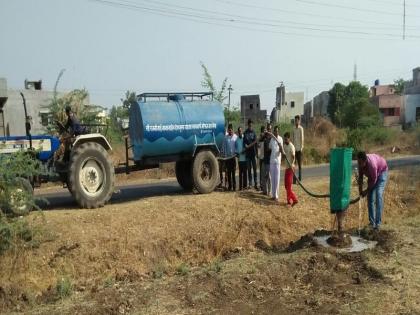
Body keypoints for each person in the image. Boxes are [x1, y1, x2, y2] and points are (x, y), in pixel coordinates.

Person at [357, 151, 388, 230]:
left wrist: (366, 191)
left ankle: (378, 224)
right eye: (358, 162)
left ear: (365, 161)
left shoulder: (372, 165)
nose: (359, 164)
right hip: (372, 176)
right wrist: (360, 191)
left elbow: (374, 181)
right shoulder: (360, 165)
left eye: (360, 163)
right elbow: (360, 178)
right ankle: (372, 223)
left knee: (378, 195)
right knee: (370, 198)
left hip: (381, 172)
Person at [268, 126, 284, 202]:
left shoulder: (280, 139)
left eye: (277, 131)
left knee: (277, 179)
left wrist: (280, 147)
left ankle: (277, 196)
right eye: (275, 131)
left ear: (278, 132)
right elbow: (269, 148)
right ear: (273, 132)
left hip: (277, 161)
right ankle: (273, 195)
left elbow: (281, 150)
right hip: (272, 161)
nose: (276, 132)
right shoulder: (272, 139)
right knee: (272, 179)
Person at [283, 132, 298, 206]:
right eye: (284, 139)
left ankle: (294, 199)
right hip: (286, 167)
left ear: (289, 138)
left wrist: (292, 163)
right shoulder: (284, 145)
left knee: (289, 186)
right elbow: (283, 154)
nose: (285, 140)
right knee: (286, 186)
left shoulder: (292, 147)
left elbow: (293, 157)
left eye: (286, 139)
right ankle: (289, 200)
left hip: (291, 168)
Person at [222, 123, 237, 191]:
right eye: (229, 130)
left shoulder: (235, 137)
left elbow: (237, 147)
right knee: (228, 173)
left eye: (231, 130)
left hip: (233, 157)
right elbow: (224, 147)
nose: (230, 131)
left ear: (233, 130)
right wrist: (224, 157)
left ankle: (234, 187)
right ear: (228, 130)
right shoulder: (226, 138)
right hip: (227, 158)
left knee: (233, 173)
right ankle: (230, 186)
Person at [244, 119, 258, 189]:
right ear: (248, 125)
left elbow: (256, 144)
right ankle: (250, 184)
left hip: (253, 154)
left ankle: (256, 183)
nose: (250, 126)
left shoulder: (254, 133)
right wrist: (245, 145)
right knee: (249, 170)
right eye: (249, 125)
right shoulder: (245, 133)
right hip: (248, 155)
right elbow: (244, 143)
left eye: (251, 125)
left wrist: (257, 155)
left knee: (255, 169)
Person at [292, 115, 304, 184]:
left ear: (299, 121)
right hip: (294, 149)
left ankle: (299, 178)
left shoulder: (301, 129)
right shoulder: (293, 129)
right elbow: (292, 139)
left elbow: (302, 139)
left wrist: (301, 148)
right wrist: (293, 149)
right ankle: (294, 179)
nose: (296, 121)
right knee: (294, 164)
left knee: (299, 165)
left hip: (299, 149)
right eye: (295, 120)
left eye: (297, 120)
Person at [262, 123, 272, 196]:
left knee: (269, 176)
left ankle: (269, 191)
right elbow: (260, 140)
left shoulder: (272, 138)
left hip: (270, 160)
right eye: (267, 129)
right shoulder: (265, 137)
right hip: (264, 159)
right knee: (264, 176)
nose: (268, 130)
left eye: (269, 129)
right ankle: (265, 191)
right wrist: (263, 134)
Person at [257, 125, 266, 191]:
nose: (263, 133)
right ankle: (261, 185)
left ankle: (264, 185)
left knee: (265, 172)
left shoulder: (266, 139)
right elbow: (258, 146)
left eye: (264, 131)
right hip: (261, 157)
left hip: (265, 158)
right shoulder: (259, 139)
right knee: (261, 172)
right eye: (263, 131)